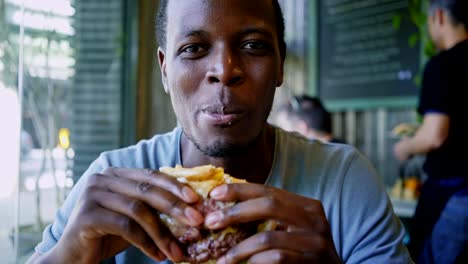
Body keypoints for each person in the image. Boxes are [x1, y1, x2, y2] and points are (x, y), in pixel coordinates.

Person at [28, 0, 411, 263]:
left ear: (280, 66)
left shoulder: (344, 180)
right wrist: (70, 254)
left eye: (253, 45)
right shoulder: (111, 182)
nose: (225, 70)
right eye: (194, 49)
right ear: (164, 70)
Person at [393, 0, 468, 262]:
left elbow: (435, 135)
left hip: (454, 192)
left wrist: (406, 147)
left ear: (438, 17)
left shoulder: (443, 65)